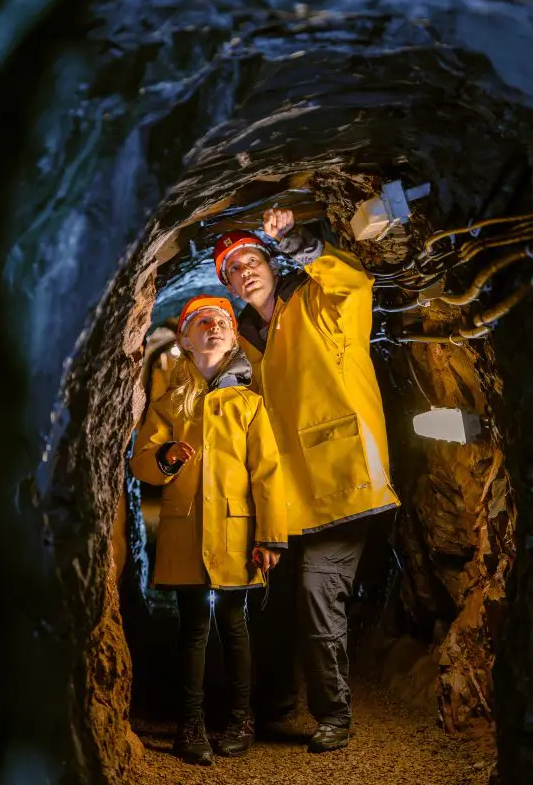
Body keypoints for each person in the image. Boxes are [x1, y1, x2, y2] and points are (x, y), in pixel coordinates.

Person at [213, 211, 400, 753]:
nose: (245, 271)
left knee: (319, 595)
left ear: (271, 264)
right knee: (268, 602)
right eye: (232, 269)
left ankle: (333, 715)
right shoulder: (249, 344)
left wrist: (298, 241)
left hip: (345, 485)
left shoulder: (318, 305)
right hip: (288, 500)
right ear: (226, 285)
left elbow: (354, 282)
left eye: (251, 260)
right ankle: (272, 705)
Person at [130, 294, 287, 766]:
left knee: (235, 625)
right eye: (201, 322)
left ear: (233, 336)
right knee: (193, 627)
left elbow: (267, 471)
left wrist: (270, 536)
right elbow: (141, 462)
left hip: (236, 532)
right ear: (185, 339)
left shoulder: (249, 404)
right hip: (186, 530)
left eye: (221, 320)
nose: (213, 327)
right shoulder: (168, 404)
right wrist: (166, 457)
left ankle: (241, 719)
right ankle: (190, 724)